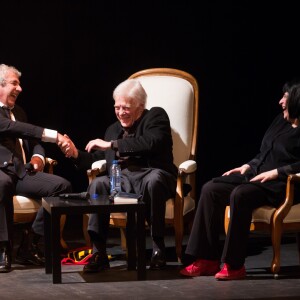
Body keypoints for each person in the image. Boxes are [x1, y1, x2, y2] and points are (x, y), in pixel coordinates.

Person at [180, 78, 300, 280]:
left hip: (282, 185)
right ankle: (207, 259)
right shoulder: (281, 120)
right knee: (211, 189)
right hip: (257, 176)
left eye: (286, 97)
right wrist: (248, 166)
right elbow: (264, 152)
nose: (280, 101)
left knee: (241, 194)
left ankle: (234, 265)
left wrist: (278, 172)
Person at [59, 78, 177, 272]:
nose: (120, 113)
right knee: (98, 184)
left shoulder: (156, 116)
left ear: (140, 106)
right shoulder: (113, 129)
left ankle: (158, 249)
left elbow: (151, 142)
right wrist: (75, 154)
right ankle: (99, 253)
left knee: (153, 181)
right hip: (121, 179)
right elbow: (100, 157)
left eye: (126, 108)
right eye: (117, 107)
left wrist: (112, 144)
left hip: (152, 173)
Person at [0, 64, 72, 273]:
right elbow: (16, 129)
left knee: (62, 186)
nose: (20, 88)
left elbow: (31, 137)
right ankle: (3, 248)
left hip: (23, 172)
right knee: (1, 184)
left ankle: (31, 242)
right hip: (2, 171)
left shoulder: (19, 112)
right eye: (15, 83)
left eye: (19, 84)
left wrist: (39, 157)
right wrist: (54, 136)